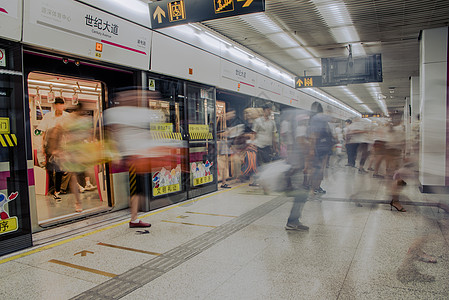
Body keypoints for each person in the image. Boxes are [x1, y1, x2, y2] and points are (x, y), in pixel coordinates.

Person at [104, 88, 184, 228]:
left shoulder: (135, 113)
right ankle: (134, 218)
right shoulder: (117, 114)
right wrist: (116, 152)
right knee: (137, 189)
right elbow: (112, 134)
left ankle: (134, 218)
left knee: (140, 189)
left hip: (142, 156)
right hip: (133, 157)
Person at [38, 97, 69, 201]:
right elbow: (43, 133)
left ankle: (57, 190)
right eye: (58, 105)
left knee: (60, 169)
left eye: (62, 105)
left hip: (62, 147)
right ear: (55, 105)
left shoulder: (67, 117)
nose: (60, 107)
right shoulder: (48, 116)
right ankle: (53, 188)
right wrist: (42, 146)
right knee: (50, 168)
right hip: (50, 146)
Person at [307, 102, 335, 195]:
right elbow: (317, 133)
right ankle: (315, 187)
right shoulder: (321, 118)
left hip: (317, 146)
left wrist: (311, 148)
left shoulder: (313, 119)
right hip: (323, 146)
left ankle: (313, 188)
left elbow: (313, 135)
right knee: (320, 169)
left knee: (315, 168)